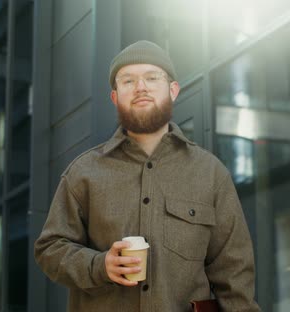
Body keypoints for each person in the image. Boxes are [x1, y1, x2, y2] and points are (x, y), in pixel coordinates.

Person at [34, 40, 261, 311]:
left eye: (152, 78)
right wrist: (99, 266)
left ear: (173, 90)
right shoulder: (83, 173)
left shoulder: (210, 174)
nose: (141, 87)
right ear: (115, 97)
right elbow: (49, 249)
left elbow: (234, 274)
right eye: (128, 81)